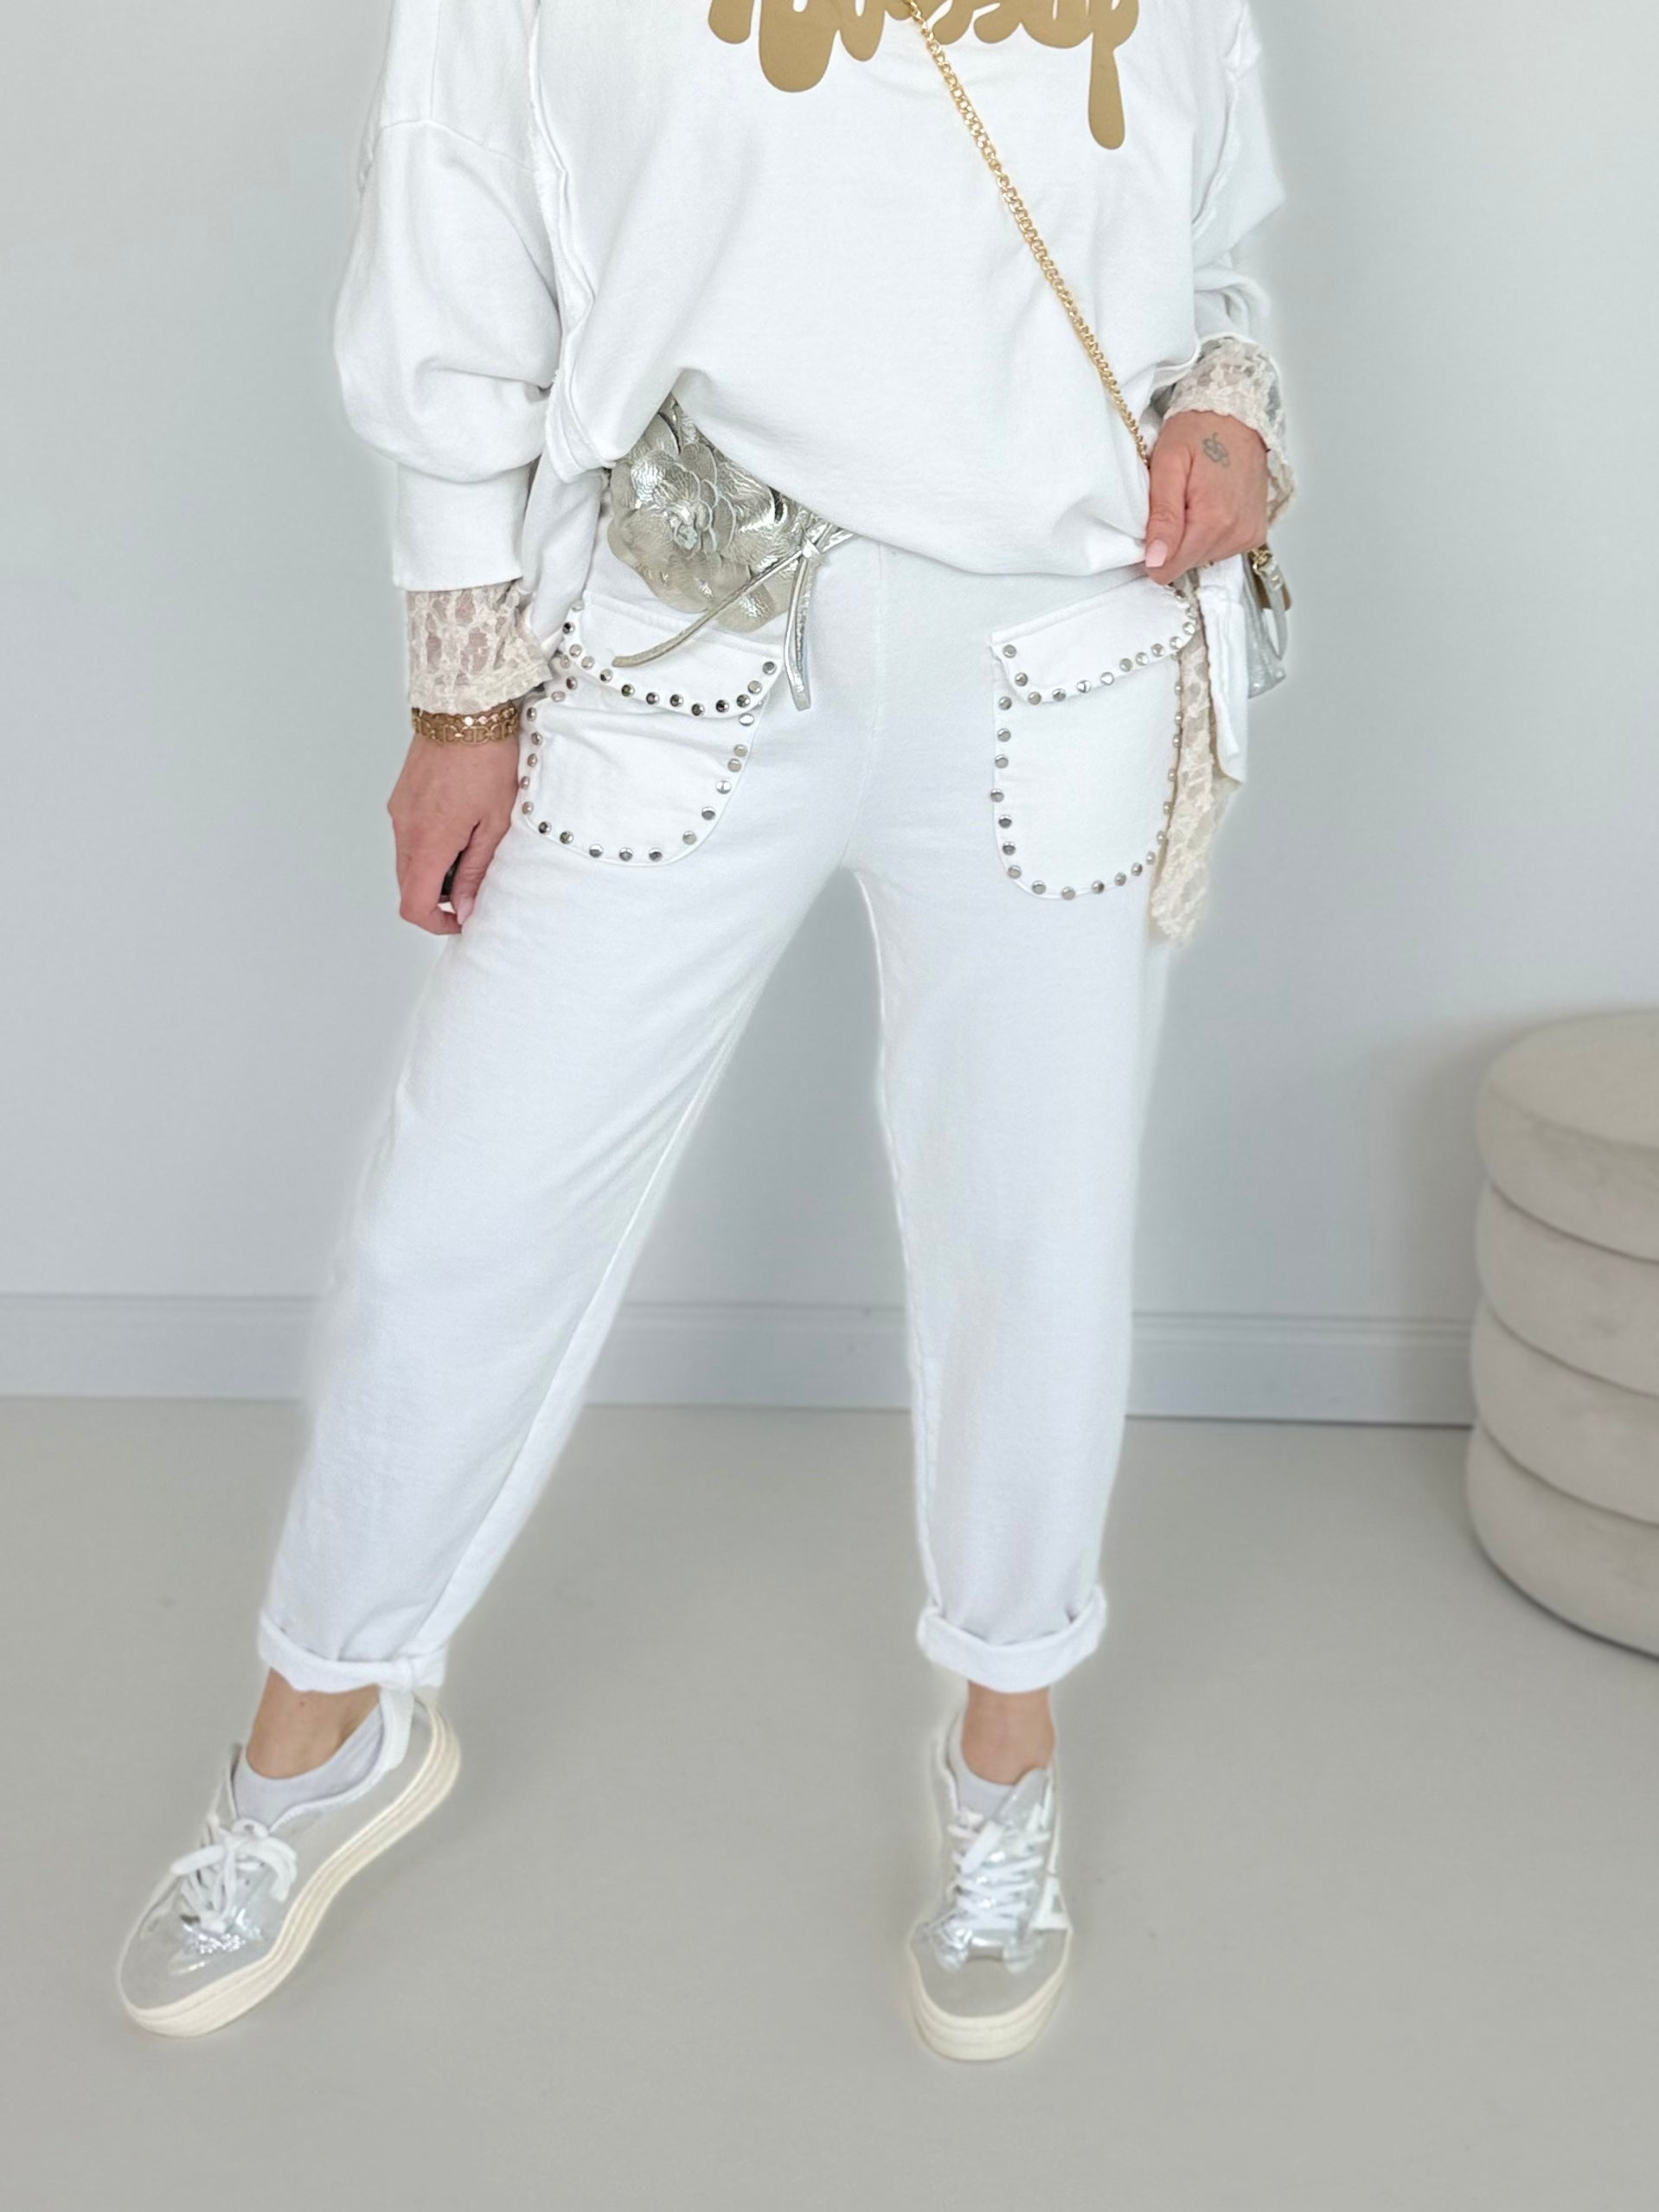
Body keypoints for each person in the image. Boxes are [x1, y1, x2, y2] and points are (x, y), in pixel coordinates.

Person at [118, 0, 1293, 2062]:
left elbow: (1204, 258)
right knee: (461, 1215)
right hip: (680, 637)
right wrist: (462, 697)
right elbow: (456, 250)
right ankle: (321, 1727)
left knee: (1029, 1235)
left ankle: (1002, 1751)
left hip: (1054, 654)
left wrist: (1230, 413)